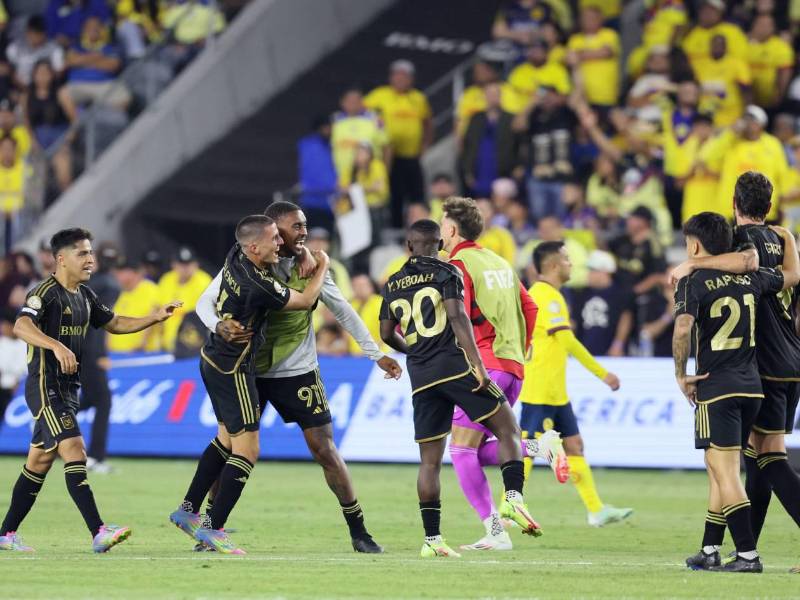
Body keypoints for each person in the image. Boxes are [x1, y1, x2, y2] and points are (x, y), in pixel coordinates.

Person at [191, 202, 402, 553]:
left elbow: (343, 309)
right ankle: (213, 527)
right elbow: (204, 302)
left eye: (304, 226)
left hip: (297, 369)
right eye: (296, 227)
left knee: (324, 448)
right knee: (229, 446)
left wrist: (374, 352)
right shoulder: (245, 260)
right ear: (273, 230)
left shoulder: (312, 265)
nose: (303, 232)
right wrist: (218, 325)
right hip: (248, 370)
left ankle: (359, 531)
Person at [0, 227, 181, 553]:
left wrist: (153, 318)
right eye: (82, 253)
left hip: (69, 389)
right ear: (61, 258)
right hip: (45, 386)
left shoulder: (84, 295)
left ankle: (6, 534)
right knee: (75, 449)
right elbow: (21, 326)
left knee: (39, 461)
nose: (90, 259)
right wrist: (56, 346)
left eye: (90, 252)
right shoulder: (44, 293)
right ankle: (98, 531)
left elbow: (114, 323)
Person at [170, 214, 331, 554]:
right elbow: (303, 302)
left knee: (225, 439)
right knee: (248, 450)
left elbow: (260, 239)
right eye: (274, 239)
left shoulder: (237, 253)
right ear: (255, 246)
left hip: (213, 358)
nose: (279, 243)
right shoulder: (257, 284)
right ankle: (213, 528)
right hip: (235, 367)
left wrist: (298, 252)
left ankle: (187, 511)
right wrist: (322, 267)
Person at [379, 219, 539, 558]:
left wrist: (414, 351)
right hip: (455, 368)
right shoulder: (446, 272)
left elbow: (385, 332)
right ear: (438, 244)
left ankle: (432, 541)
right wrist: (477, 364)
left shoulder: (393, 282)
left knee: (430, 463)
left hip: (421, 378)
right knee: (508, 427)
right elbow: (458, 318)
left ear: (408, 246)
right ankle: (512, 499)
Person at [671, 172, 800, 561]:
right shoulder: (783, 237)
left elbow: (747, 260)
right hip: (791, 359)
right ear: (769, 203)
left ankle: (743, 551)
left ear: (734, 202)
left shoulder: (738, 242)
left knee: (760, 459)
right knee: (755, 462)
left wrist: (692, 265)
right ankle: (720, 547)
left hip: (758, 362)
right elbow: (791, 276)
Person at [439, 197, 564, 551]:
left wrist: (461, 362)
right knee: (476, 450)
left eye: (442, 223)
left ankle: (495, 530)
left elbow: (458, 317)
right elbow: (530, 305)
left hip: (483, 367)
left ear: (451, 229)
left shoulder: (458, 264)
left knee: (461, 451)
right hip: (512, 367)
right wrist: (522, 345)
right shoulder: (500, 261)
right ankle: (541, 447)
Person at [520, 241, 632, 527]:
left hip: (555, 391)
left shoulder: (545, 294)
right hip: (541, 389)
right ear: (554, 265)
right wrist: (602, 373)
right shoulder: (547, 297)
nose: (572, 264)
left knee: (574, 447)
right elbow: (567, 340)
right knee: (528, 451)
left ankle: (596, 510)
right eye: (568, 259)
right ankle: (508, 512)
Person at [364, 60, 432, 227]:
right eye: (398, 75)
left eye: (405, 76)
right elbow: (363, 116)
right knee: (394, 196)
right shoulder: (378, 96)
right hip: (389, 158)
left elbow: (428, 123)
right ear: (391, 77)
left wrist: (424, 147)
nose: (401, 79)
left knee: (417, 195)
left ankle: (421, 228)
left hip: (411, 156)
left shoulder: (418, 98)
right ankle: (396, 230)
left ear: (411, 79)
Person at [80, 242, 121, 474]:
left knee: (93, 399)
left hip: (75, 346)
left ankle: (52, 418)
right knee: (103, 400)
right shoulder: (109, 284)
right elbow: (98, 322)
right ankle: (95, 457)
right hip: (89, 349)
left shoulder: (86, 282)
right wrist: (100, 354)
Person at [23, 59, 78, 193]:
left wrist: (67, 140)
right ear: (34, 75)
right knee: (33, 179)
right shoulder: (27, 95)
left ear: (52, 75)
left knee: (64, 176)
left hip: (59, 137)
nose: (42, 77)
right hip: (39, 138)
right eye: (39, 74)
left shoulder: (60, 93)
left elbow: (75, 120)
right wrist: (33, 141)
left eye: (45, 73)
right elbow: (27, 122)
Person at [460, 82, 522, 199]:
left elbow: (519, 143)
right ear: (484, 96)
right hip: (480, 170)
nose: (493, 97)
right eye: (490, 94)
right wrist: (467, 171)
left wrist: (519, 165)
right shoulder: (476, 118)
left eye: (496, 94)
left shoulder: (510, 118)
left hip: (502, 170)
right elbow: (468, 145)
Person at [572, 250, 634, 357]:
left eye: (593, 270)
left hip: (611, 354)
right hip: (584, 354)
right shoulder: (581, 294)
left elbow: (625, 319)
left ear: (605, 272)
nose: (589, 273)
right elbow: (574, 321)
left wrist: (617, 345)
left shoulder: (620, 294)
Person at [64, 17, 131, 112]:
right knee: (63, 94)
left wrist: (83, 61)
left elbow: (113, 66)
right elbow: (70, 61)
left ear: (102, 29)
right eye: (89, 27)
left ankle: (111, 123)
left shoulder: (110, 46)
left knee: (125, 98)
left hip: (105, 83)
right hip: (79, 83)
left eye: (97, 27)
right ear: (84, 30)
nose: (93, 30)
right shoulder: (77, 46)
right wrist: (98, 57)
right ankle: (78, 125)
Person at [156, 246, 212, 353]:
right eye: (181, 264)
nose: (185, 268)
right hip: (166, 347)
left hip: (191, 348)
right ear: (173, 265)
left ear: (196, 265)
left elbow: (203, 319)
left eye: (189, 264)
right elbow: (158, 310)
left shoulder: (204, 282)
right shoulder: (166, 280)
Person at [566, 6, 621, 111]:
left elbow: (606, 52)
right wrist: (594, 52)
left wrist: (579, 54)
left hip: (605, 96)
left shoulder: (609, 34)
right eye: (585, 17)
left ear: (600, 19)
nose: (588, 21)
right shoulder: (575, 39)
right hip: (582, 98)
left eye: (591, 17)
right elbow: (569, 58)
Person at [109, 259, 161, 352]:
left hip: (143, 355)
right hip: (118, 355)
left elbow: (155, 316)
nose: (116, 274)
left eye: (121, 271)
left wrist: (141, 344)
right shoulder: (121, 293)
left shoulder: (150, 289)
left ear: (132, 272)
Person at [297, 115, 337, 235]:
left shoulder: (329, 145)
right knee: (318, 237)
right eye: (326, 127)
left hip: (330, 201)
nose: (329, 130)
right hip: (316, 199)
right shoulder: (311, 146)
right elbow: (316, 173)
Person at [747, 14, 794, 109]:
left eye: (766, 25)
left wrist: (780, 94)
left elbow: (785, 73)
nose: (762, 28)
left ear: (773, 28)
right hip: (746, 98)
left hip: (771, 100)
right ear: (753, 26)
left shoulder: (781, 47)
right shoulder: (744, 44)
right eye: (760, 24)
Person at [6, 15, 65, 88]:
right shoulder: (15, 47)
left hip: (44, 89)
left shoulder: (54, 49)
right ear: (28, 32)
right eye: (34, 33)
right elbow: (9, 69)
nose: (37, 37)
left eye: (40, 34)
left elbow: (58, 72)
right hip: (18, 86)